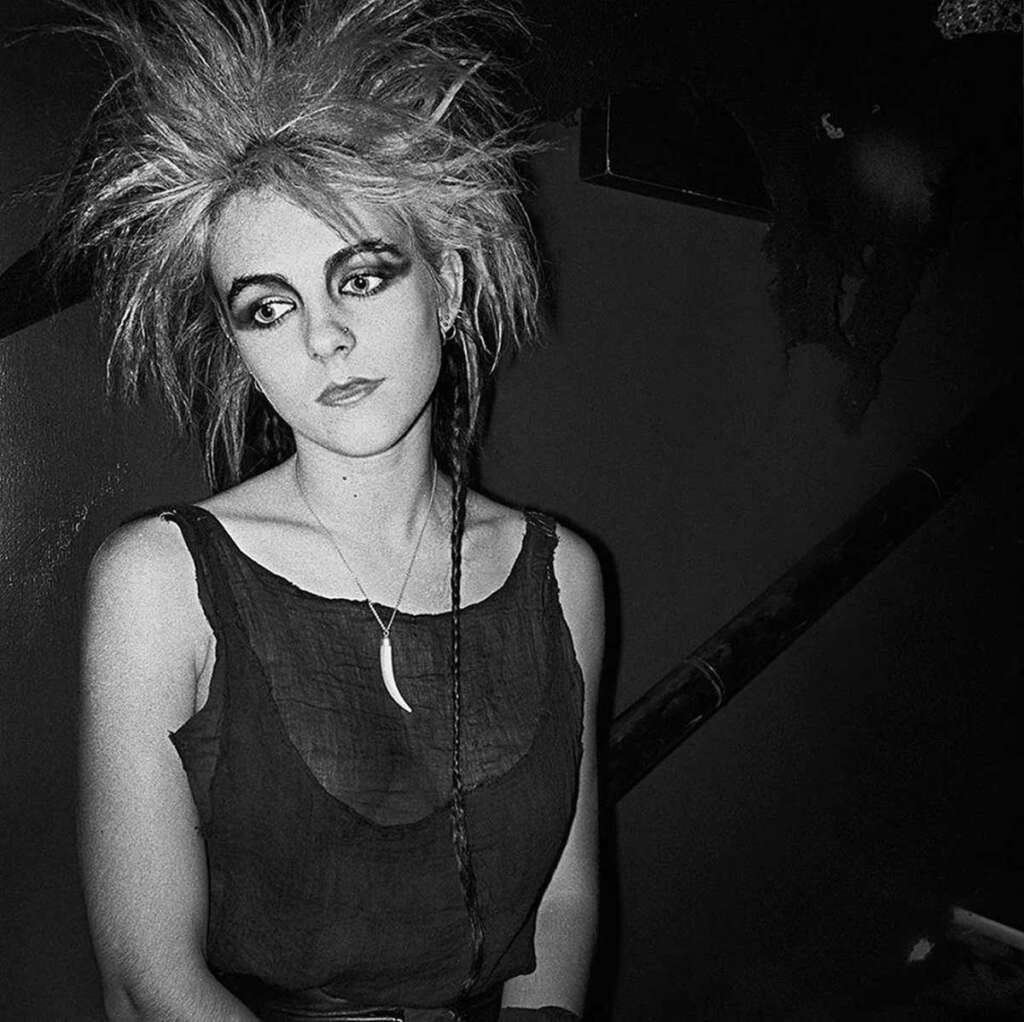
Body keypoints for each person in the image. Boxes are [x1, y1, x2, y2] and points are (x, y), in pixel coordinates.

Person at [62, 2, 602, 1021]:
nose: (325, 337)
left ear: (447, 283)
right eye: (269, 305)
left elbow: (564, 898)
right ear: (238, 345)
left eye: (359, 275)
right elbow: (145, 983)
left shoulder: (560, 571)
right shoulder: (161, 581)